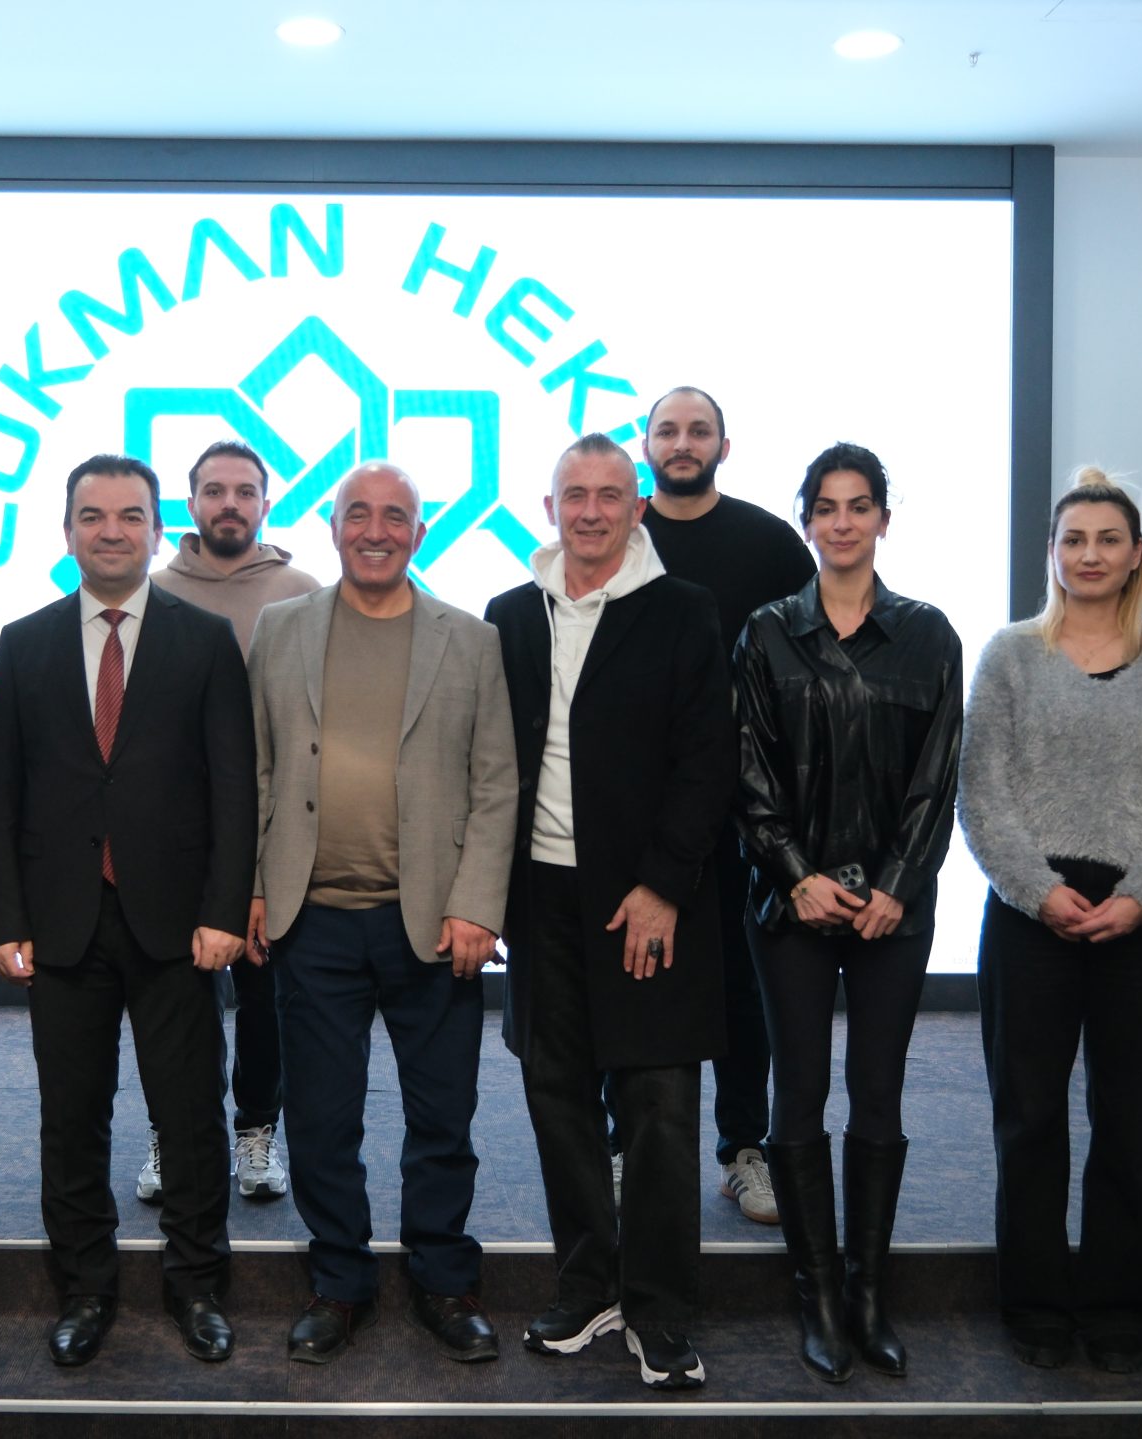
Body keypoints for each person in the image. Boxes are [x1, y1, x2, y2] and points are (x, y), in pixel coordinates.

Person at [0, 454, 256, 1368]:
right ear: (66, 530)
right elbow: (0, 793)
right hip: (61, 920)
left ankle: (197, 1284)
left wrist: (225, 907)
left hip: (178, 925)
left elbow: (233, 787)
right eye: (92, 515)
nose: (110, 530)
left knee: (190, 1114)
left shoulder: (204, 638)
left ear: (156, 527)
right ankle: (85, 1288)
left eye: (129, 515)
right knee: (72, 1117)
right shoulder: (23, 642)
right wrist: (2, 918)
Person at [249, 461, 519, 1366]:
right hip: (312, 919)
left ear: (419, 532)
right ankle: (339, 1281)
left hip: (434, 922)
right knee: (322, 1120)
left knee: (442, 1118)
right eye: (358, 514)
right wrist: (251, 885)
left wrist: (478, 903)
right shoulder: (281, 628)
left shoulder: (470, 640)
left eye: (395, 516)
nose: (376, 530)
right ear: (332, 527)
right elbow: (255, 767)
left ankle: (444, 1280)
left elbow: (496, 783)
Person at [960, 469, 1142, 1374]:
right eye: (1073, 539)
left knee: (1129, 1122)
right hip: (1029, 915)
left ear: (1137, 552)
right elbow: (982, 791)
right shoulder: (1009, 655)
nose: (1090, 554)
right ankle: (1034, 1302)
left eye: (1108, 539)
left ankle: (1119, 1304)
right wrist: (1036, 889)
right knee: (1029, 1118)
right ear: (1052, 552)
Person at [486, 434, 736, 1390]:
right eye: (574, 494)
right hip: (540, 895)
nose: (590, 511)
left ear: (638, 509)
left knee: (659, 1108)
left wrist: (664, 884)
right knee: (557, 1096)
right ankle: (588, 1283)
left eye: (609, 495)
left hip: (647, 899)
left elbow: (707, 757)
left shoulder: (683, 610)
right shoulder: (511, 614)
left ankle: (661, 1307)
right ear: (549, 508)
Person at [735, 442, 961, 1385]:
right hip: (790, 904)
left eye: (858, 505)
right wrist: (796, 875)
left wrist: (897, 885)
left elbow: (938, 776)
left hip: (892, 912)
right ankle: (819, 1297)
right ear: (807, 522)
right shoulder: (766, 632)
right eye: (825, 507)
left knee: (879, 1093)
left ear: (882, 519)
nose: (842, 522)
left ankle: (869, 1298)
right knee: (797, 1092)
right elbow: (746, 770)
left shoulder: (929, 634)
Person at [637, 385, 816, 1227]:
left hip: (749, 806)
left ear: (724, 446)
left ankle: (744, 1149)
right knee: (639, 978)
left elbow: (809, 664)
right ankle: (626, 1145)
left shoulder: (770, 542)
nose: (683, 442)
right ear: (646, 444)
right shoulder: (616, 534)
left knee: (745, 985)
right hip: (640, 802)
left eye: (698, 430)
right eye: (667, 430)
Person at [146, 438, 321, 1205]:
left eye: (244, 491)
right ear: (191, 504)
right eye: (214, 490)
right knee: (175, 1003)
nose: (229, 503)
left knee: (262, 998)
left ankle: (256, 1132)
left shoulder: (303, 592)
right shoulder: (152, 591)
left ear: (265, 504)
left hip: (274, 832)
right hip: (173, 836)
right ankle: (172, 1132)